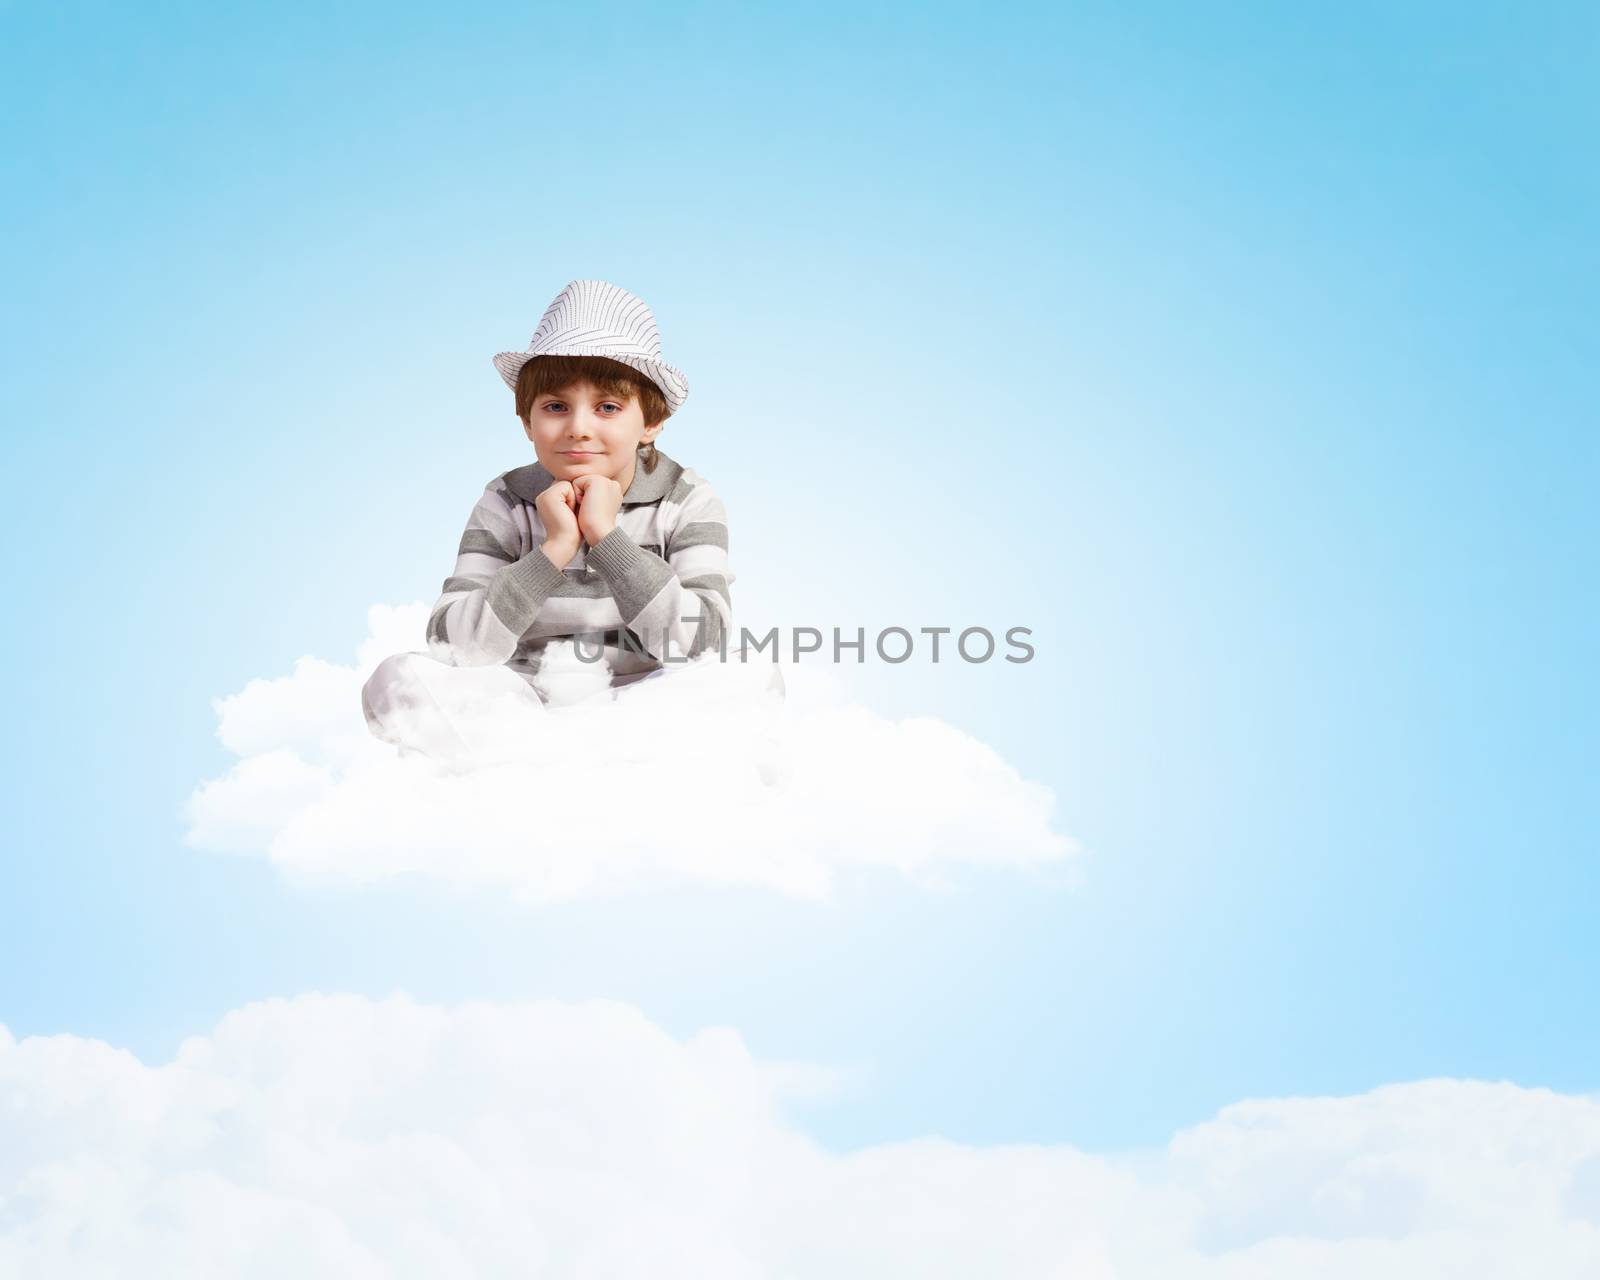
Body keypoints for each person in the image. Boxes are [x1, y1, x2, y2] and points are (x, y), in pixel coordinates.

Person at [360, 278, 785, 773]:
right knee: (396, 679)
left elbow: (702, 643)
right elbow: (451, 645)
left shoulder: (688, 500)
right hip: (520, 713)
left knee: (753, 676)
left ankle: (588, 774)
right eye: (556, 407)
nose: (579, 427)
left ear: (650, 422)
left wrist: (608, 540)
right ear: (527, 422)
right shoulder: (505, 502)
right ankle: (543, 774)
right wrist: (553, 551)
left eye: (608, 407)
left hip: (644, 710)